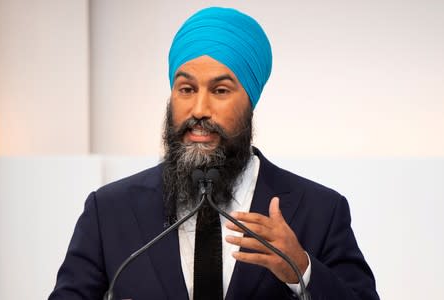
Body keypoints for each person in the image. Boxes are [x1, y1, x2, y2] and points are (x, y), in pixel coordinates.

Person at [49, 7, 379, 300]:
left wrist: (301, 270)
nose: (200, 109)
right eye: (186, 89)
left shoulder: (319, 210)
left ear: (250, 101)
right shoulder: (110, 211)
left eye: (220, 91)